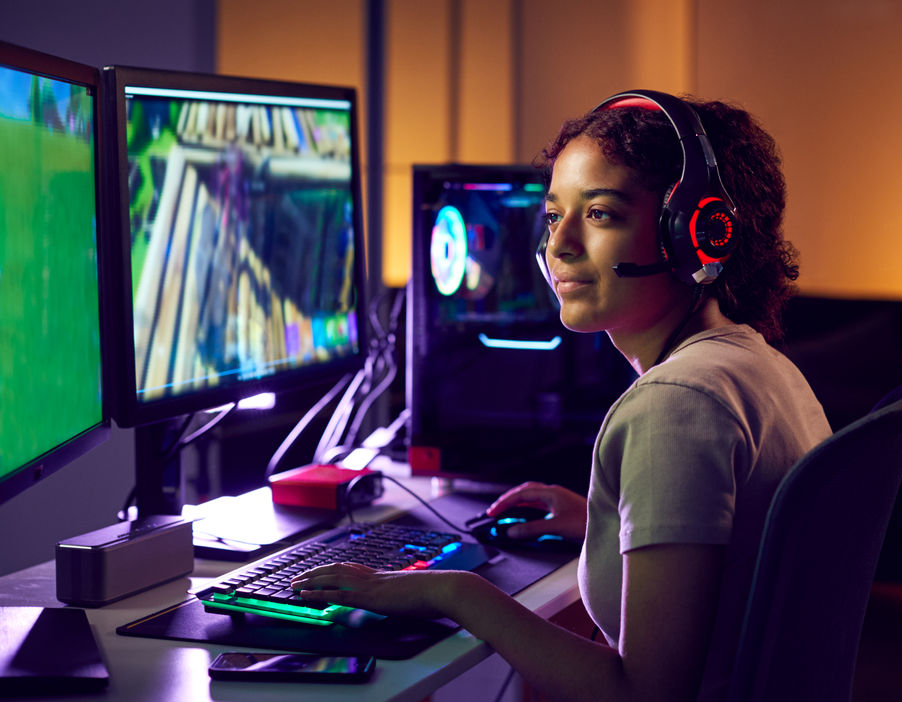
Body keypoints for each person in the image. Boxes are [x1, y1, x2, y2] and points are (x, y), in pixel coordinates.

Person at [292, 91, 832, 702]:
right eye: (554, 217)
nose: (559, 246)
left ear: (695, 235)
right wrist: (606, 521)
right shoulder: (761, 367)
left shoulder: (676, 403)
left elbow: (645, 695)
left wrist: (452, 591)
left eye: (600, 214)